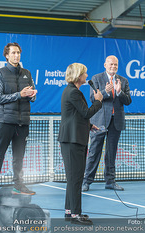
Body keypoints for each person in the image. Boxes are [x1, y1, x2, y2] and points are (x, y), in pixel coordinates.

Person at [0, 42, 37, 198]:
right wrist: (19, 95)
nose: (16, 55)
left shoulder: (27, 73)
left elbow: (33, 96)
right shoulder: (0, 73)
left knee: (19, 156)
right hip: (4, 121)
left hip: (22, 122)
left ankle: (19, 185)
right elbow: (0, 98)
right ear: (7, 55)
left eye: (18, 53)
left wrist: (32, 94)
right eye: (13, 53)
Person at [58, 63, 103, 225]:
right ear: (78, 76)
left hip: (74, 139)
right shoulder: (73, 92)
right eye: (85, 73)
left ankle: (70, 212)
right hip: (73, 141)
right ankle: (75, 214)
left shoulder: (72, 91)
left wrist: (89, 125)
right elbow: (86, 112)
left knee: (73, 179)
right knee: (75, 178)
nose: (86, 75)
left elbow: (76, 115)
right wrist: (98, 101)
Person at [82, 55, 132, 192]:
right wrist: (106, 91)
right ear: (105, 65)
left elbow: (128, 100)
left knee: (111, 153)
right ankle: (86, 181)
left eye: (115, 65)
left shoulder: (123, 81)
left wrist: (119, 92)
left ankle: (110, 181)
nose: (113, 67)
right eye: (111, 64)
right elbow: (93, 98)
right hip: (99, 121)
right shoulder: (96, 79)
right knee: (94, 151)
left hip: (116, 121)